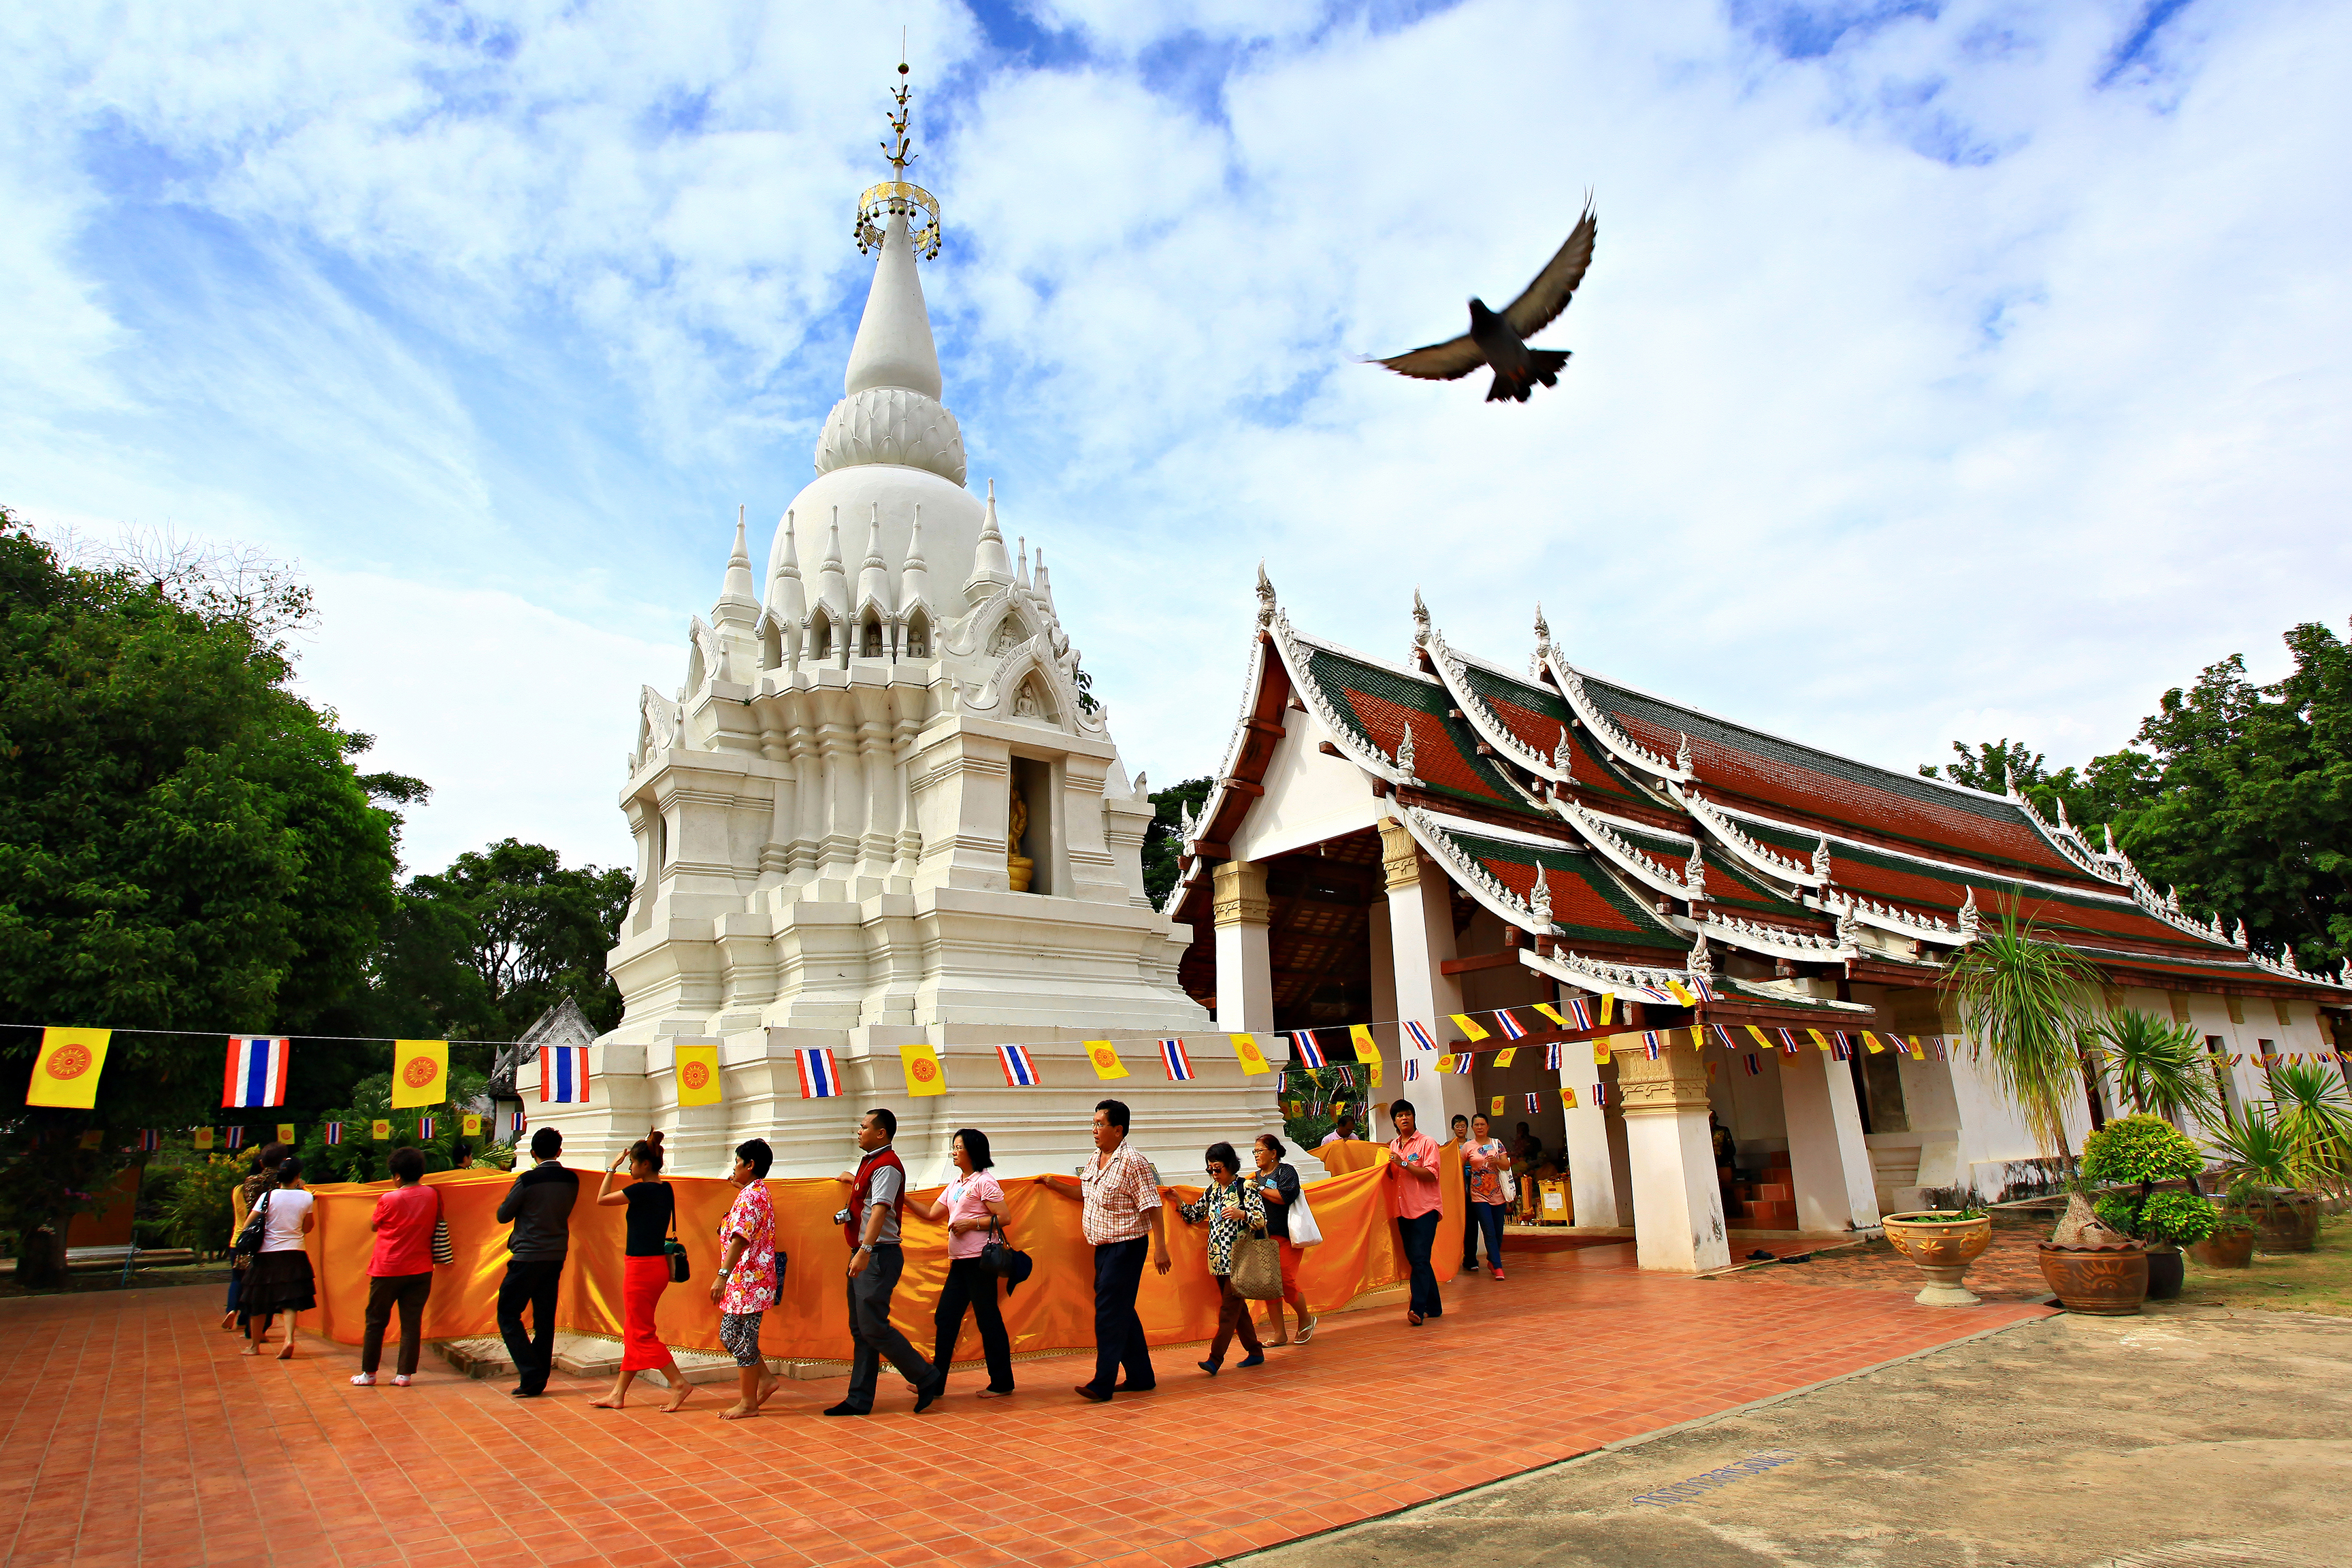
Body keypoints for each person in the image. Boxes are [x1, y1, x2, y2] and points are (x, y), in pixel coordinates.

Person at [827, 1108, 938, 1416]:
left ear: (881, 1133)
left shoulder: (887, 1166)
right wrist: (852, 1180)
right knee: (861, 1329)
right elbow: (866, 1198)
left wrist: (864, 1249)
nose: (858, 1131)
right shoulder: (871, 1163)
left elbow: (879, 1210)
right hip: (866, 1253)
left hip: (877, 1254)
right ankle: (858, 1399)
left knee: (873, 1327)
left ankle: (925, 1375)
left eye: (863, 1127)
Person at [1075, 1098, 1171, 1403]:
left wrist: (1161, 1248)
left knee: (1108, 1313)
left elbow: (1153, 1207)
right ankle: (1142, 1376)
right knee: (1121, 1311)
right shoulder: (1095, 1159)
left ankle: (1103, 1382)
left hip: (1127, 1246)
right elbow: (1084, 1191)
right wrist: (1049, 1184)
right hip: (1102, 1248)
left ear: (1118, 1130)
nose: (1094, 1130)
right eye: (1093, 1124)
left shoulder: (1134, 1162)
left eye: (1100, 1124)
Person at [906, 1128, 1014, 1399]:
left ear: (973, 1152)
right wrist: (901, 1198)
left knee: (988, 1320)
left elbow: (1004, 1217)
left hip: (980, 1262)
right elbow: (933, 1213)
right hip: (959, 1263)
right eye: (953, 1146)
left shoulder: (984, 1182)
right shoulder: (956, 1184)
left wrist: (971, 1224)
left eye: (959, 1147)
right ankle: (935, 1381)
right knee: (946, 1317)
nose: (954, 1151)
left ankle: (1001, 1382)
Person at [590, 1130, 692, 1412]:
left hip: (641, 1268)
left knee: (642, 1333)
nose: (629, 1168)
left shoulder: (641, 1190)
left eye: (631, 1164)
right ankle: (618, 1393)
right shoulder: (665, 1188)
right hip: (655, 1266)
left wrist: (611, 1167)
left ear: (645, 1165)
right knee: (635, 1330)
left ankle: (679, 1383)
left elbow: (601, 1199)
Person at [496, 1125, 578, 1399]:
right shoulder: (572, 1180)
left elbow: (503, 1215)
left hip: (527, 1254)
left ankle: (531, 1372)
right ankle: (538, 1375)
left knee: (508, 1313)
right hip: (556, 1253)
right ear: (559, 1151)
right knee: (544, 1317)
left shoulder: (528, 1180)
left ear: (532, 1153)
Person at [354, 1145, 442, 1386]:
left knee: (375, 1321)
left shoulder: (389, 1198)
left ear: (397, 1176)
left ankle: (369, 1373)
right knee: (411, 1323)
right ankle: (404, 1375)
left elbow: (375, 1225)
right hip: (421, 1267)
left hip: (387, 1268)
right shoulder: (432, 1194)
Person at [1177, 1142, 1266, 1376]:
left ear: (1230, 1166)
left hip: (1241, 1258)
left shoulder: (1246, 1187)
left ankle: (1215, 1358)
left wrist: (1242, 1213)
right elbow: (1195, 1215)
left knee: (1228, 1310)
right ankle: (1255, 1351)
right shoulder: (1212, 1191)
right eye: (1210, 1170)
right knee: (1237, 1309)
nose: (1214, 1174)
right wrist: (1176, 1201)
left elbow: (1260, 1220)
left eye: (1218, 1169)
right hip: (1218, 1259)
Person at [709, 1138, 781, 1420]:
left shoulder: (751, 1197)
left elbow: (740, 1238)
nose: (734, 1169)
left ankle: (748, 1402)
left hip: (750, 1280)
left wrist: (721, 1276)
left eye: (737, 1163)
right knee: (731, 1336)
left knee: (743, 1340)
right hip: (747, 1280)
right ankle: (765, 1380)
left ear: (750, 1165)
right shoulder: (755, 1192)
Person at [240, 1156, 316, 1360]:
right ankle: (289, 1339)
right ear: (298, 1176)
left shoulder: (267, 1196)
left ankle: (255, 1346)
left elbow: (249, 1224)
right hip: (294, 1252)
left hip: (266, 1254)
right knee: (290, 1301)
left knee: (257, 1301)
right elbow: (307, 1228)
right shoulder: (306, 1198)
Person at [1250, 1134, 1315, 1345]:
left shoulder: (1286, 1171)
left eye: (1260, 1151)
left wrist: (1260, 1189)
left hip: (1287, 1235)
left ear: (1274, 1153)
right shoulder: (1253, 1177)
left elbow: (1286, 1197)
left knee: (1286, 1279)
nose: (1257, 1155)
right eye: (1255, 1152)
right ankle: (1279, 1333)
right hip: (1264, 1239)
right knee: (1269, 1284)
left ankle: (1305, 1319)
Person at [1385, 1100, 1443, 1325]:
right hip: (1403, 1209)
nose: (1404, 1118)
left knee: (1419, 1258)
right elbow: (1391, 1175)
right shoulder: (1393, 1146)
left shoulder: (1427, 1143)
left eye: (1408, 1114)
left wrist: (1405, 1164)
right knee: (1417, 1260)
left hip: (1425, 1208)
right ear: (1395, 1122)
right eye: (1400, 1116)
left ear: (1414, 1117)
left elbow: (1431, 1174)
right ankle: (1435, 1306)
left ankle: (1417, 1309)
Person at [223, 1141, 288, 1334]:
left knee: (238, 1280)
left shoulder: (239, 1189)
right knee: (258, 1286)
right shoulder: (280, 1186)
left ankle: (232, 1310)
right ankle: (247, 1322)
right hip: (264, 1241)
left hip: (240, 1240)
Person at [1463, 1113, 1509, 1279]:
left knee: (1498, 1232)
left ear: (1488, 1126)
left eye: (1483, 1124)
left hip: (1498, 1194)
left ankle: (1492, 1259)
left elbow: (1506, 1164)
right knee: (1488, 1230)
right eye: (1476, 1124)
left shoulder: (1497, 1144)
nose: (1480, 1127)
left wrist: (1496, 1161)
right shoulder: (1468, 1147)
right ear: (1473, 1128)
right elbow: (1458, 1167)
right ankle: (1498, 1267)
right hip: (1478, 1196)